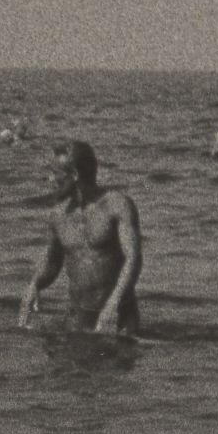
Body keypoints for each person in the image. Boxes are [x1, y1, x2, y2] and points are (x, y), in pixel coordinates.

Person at [18, 140, 143, 336]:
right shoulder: (58, 215)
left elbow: (133, 258)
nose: (50, 179)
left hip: (120, 318)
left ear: (75, 175)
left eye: (56, 173)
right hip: (78, 318)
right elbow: (53, 261)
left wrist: (112, 305)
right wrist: (34, 285)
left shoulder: (117, 205)